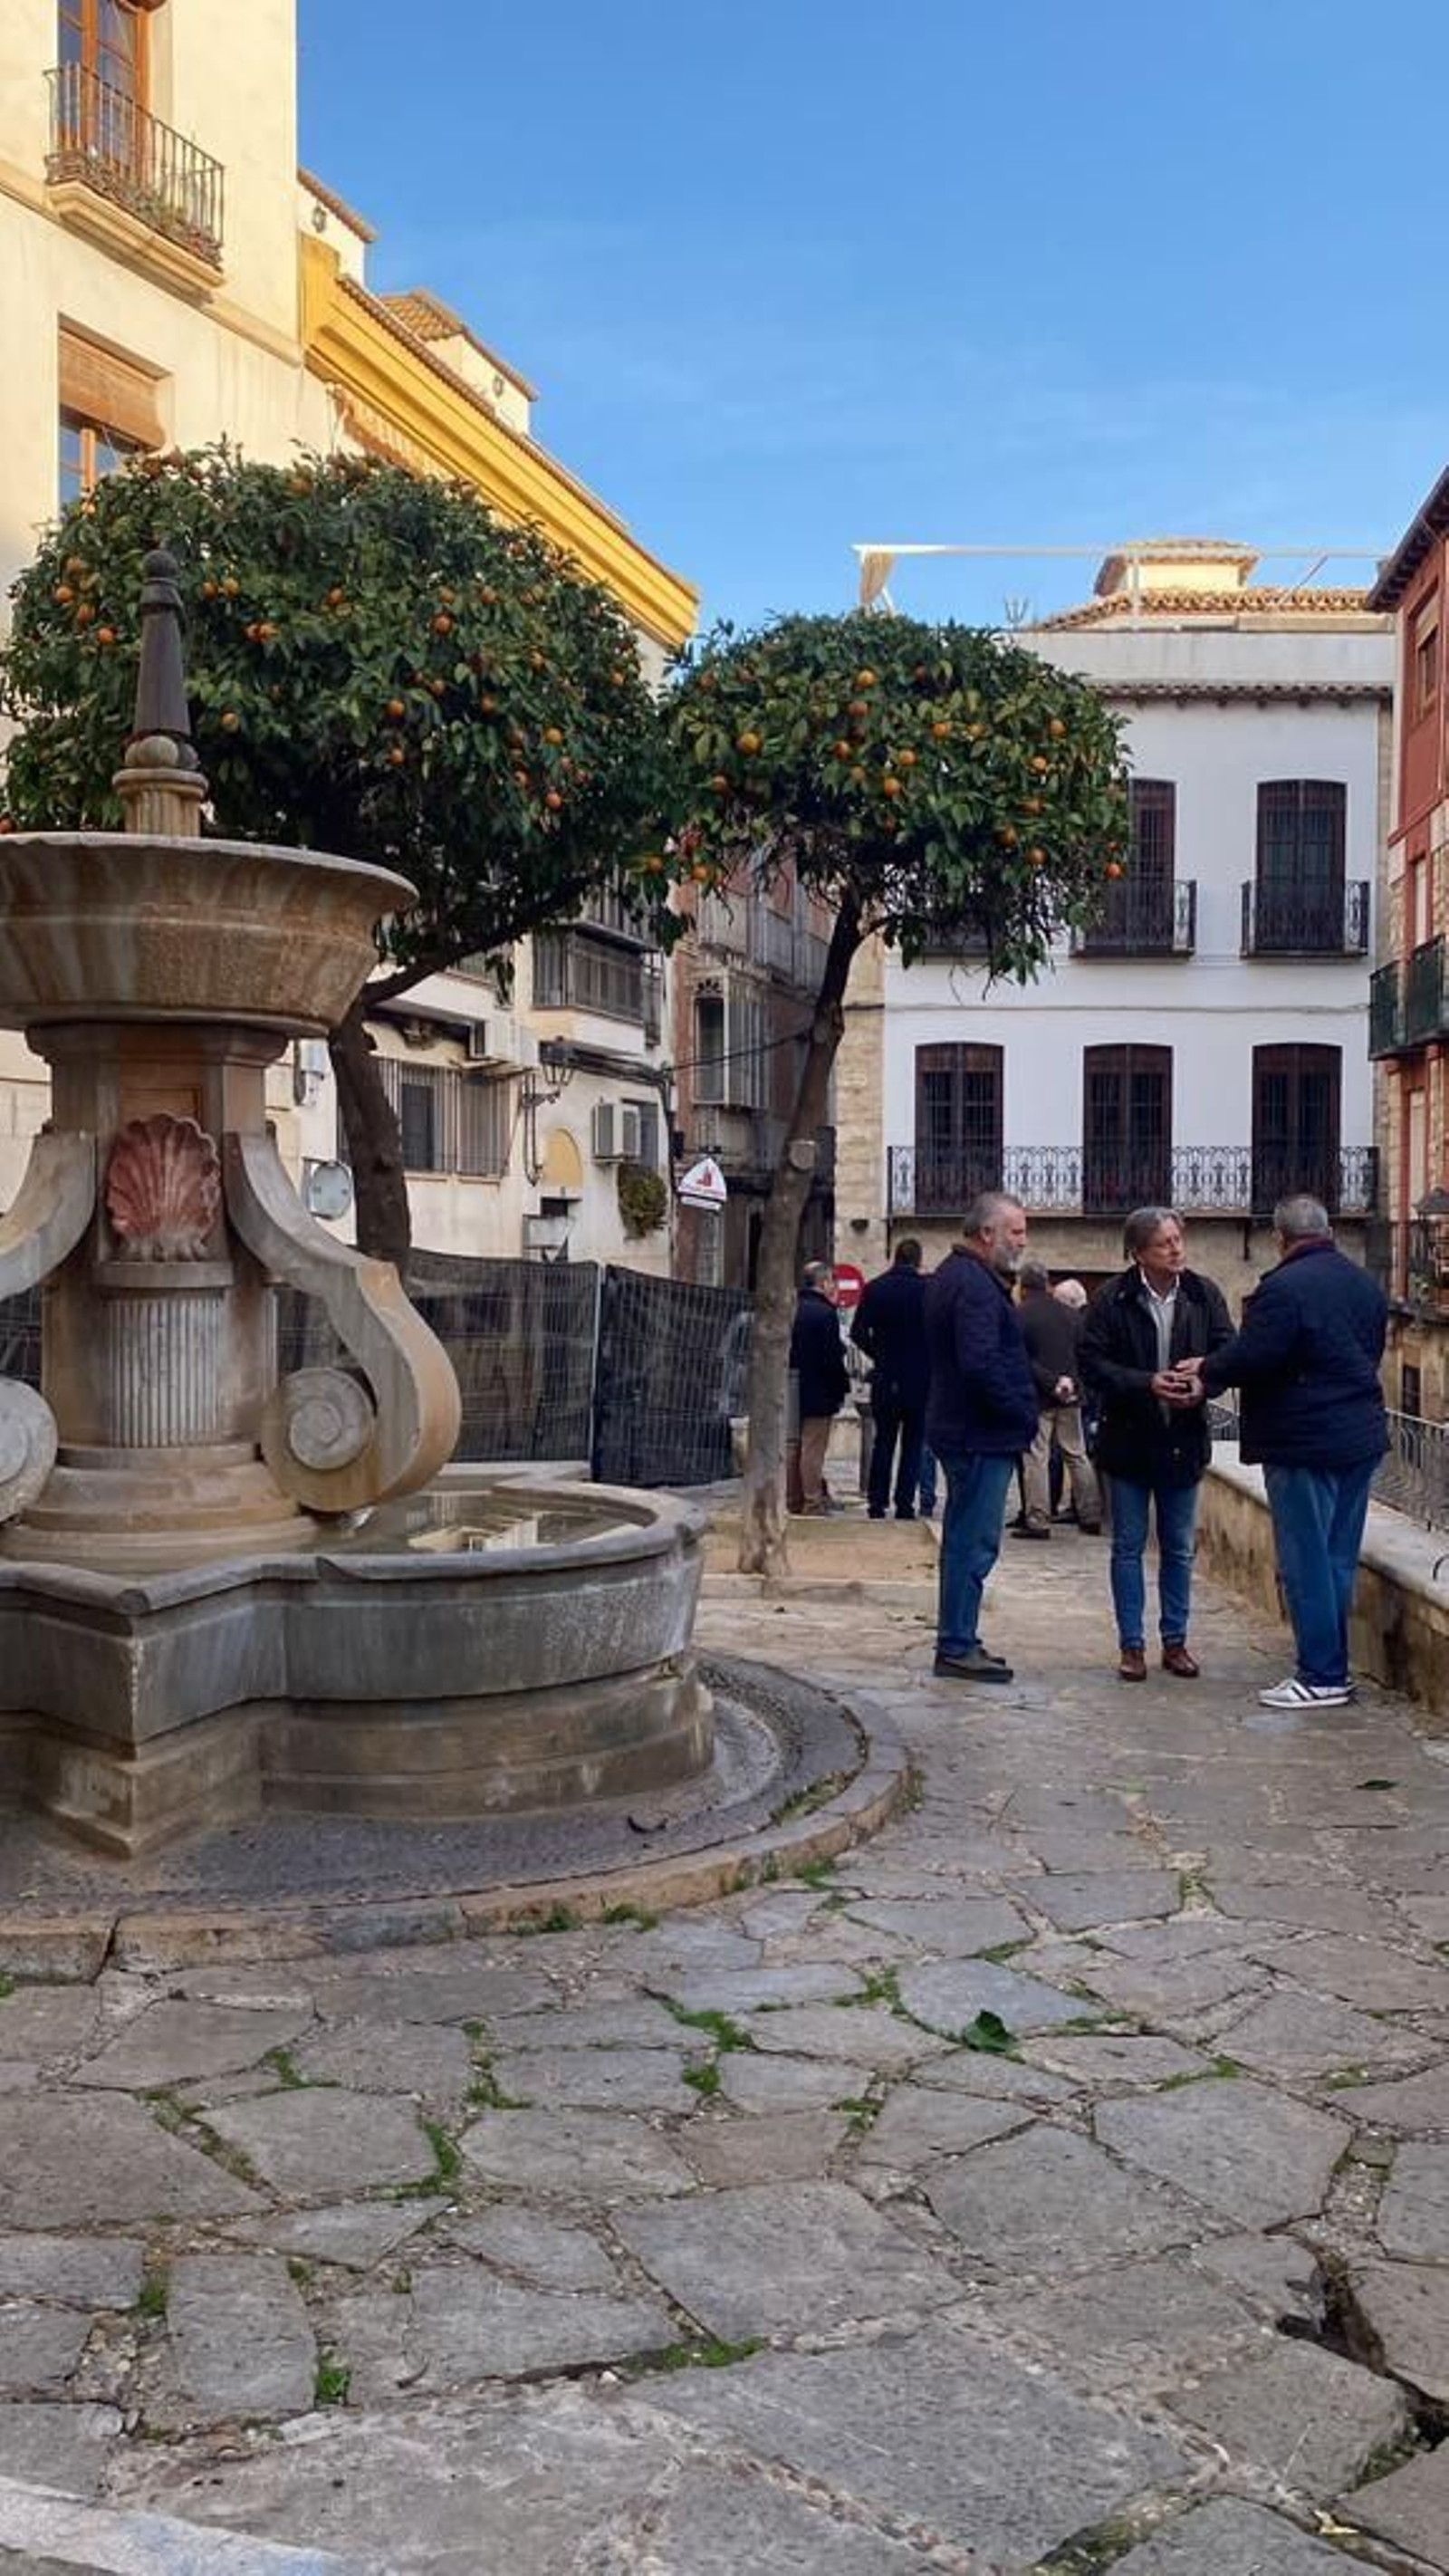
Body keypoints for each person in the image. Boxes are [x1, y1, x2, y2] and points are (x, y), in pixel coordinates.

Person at [1185, 1193, 1388, 1708]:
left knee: (1306, 1561)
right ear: (1327, 1232)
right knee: (1337, 1559)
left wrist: (1206, 1368)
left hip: (1304, 1441)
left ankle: (1320, 1674)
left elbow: (1258, 1355)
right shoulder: (1364, 1284)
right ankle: (1333, 1669)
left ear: (1280, 1238)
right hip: (1359, 1437)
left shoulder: (1282, 1289)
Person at [1080, 1207, 1231, 1683]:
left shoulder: (1203, 1294)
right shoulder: (1112, 1299)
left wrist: (1204, 1380)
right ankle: (1131, 1644)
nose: (1176, 1249)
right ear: (1139, 1252)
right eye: (1165, 1243)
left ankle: (1176, 1640)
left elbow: (1228, 1353)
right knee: (1127, 1546)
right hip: (1128, 1440)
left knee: (1179, 1547)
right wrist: (1146, 1383)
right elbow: (1092, 1363)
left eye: (1178, 1239)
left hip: (1183, 1439)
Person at [924, 1192, 1038, 1684]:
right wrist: (1021, 1414)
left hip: (967, 1430)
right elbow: (980, 1364)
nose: (1023, 1241)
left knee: (964, 1541)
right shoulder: (973, 1285)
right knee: (973, 1544)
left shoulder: (960, 1276)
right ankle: (955, 1644)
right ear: (987, 1234)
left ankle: (961, 1637)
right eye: (1016, 1231)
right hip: (978, 1436)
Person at [1015, 1261, 1101, 1540]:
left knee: (1036, 1457)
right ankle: (1091, 1514)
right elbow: (1084, 1356)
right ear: (1047, 1284)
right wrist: (1069, 1383)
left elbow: (1019, 1359)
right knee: (1076, 1454)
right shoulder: (1071, 1315)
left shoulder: (1020, 1315)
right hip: (1071, 1395)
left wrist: (1050, 1382)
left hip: (1037, 1397)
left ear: (1023, 1287)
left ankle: (1038, 1519)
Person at [851, 1238, 930, 1521]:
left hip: (886, 1376)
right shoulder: (928, 1290)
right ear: (918, 1260)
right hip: (920, 1379)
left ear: (895, 1257)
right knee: (913, 1445)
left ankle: (877, 1502)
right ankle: (905, 1504)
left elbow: (858, 1332)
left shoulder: (876, 1289)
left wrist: (879, 1354)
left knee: (883, 1441)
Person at [786, 1261, 850, 1515]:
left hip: (791, 1388)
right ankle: (812, 1501)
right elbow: (831, 1358)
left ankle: (792, 1499)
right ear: (824, 1283)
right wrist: (840, 1389)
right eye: (833, 1282)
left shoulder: (791, 1309)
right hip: (819, 1391)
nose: (834, 1287)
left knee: (792, 1447)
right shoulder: (825, 1313)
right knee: (812, 1449)